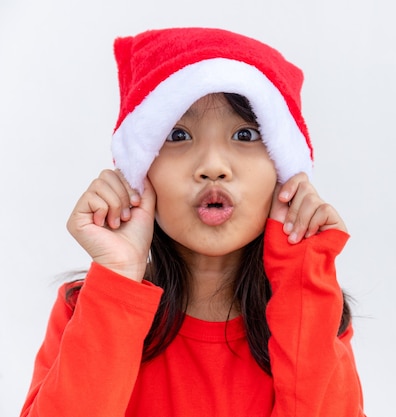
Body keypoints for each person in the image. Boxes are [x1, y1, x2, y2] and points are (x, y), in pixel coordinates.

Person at [20, 27, 365, 417]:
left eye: (246, 134)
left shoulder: (313, 309)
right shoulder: (88, 306)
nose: (213, 168)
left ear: (284, 170)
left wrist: (303, 282)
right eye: (178, 134)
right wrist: (118, 277)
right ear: (139, 170)